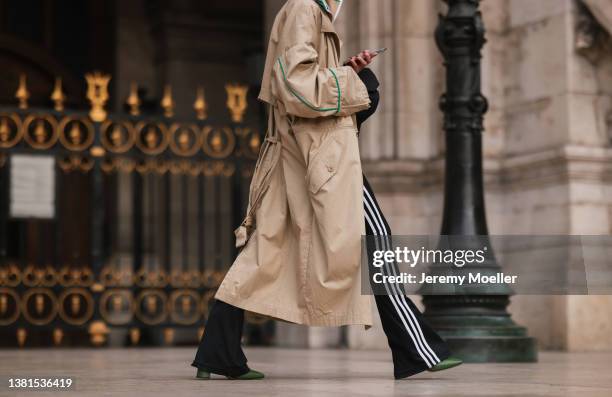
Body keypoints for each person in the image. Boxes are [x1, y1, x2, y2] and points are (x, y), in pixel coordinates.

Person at [192, 0, 462, 380]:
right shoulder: (305, 9)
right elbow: (297, 87)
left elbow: (304, 83)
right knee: (377, 238)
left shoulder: (311, 14)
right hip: (322, 162)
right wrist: (356, 83)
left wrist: (343, 71)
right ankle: (418, 349)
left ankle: (217, 352)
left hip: (308, 157)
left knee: (264, 253)